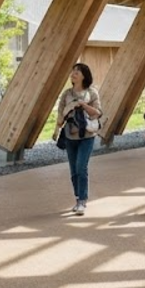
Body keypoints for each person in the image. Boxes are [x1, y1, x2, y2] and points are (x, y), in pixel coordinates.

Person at [56, 63, 103, 215]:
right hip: (70, 135)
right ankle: (78, 198)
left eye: (77, 71)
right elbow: (60, 115)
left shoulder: (92, 92)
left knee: (81, 167)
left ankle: (82, 200)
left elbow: (97, 113)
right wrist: (60, 123)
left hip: (87, 135)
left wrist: (84, 106)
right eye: (73, 71)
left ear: (84, 75)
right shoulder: (66, 94)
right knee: (74, 170)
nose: (74, 73)